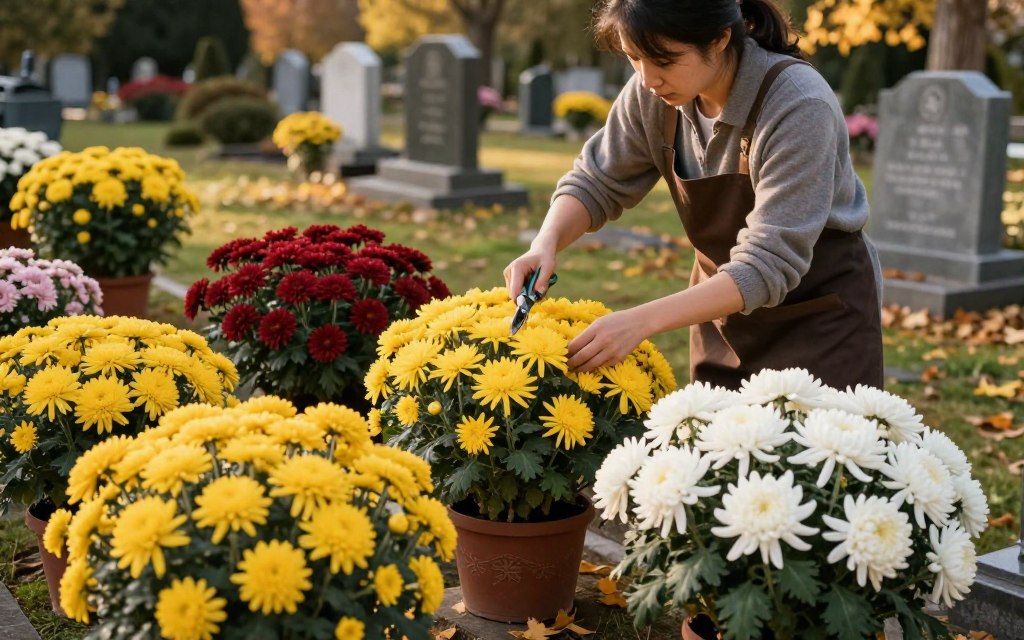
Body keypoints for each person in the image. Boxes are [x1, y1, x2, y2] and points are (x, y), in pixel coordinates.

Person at [503, 0, 884, 393]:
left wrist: (639, 321)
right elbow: (596, 179)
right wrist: (545, 243)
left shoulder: (798, 104)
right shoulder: (654, 94)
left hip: (820, 322)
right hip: (721, 316)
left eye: (664, 60)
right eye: (634, 57)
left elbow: (769, 262)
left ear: (719, 39)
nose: (648, 79)